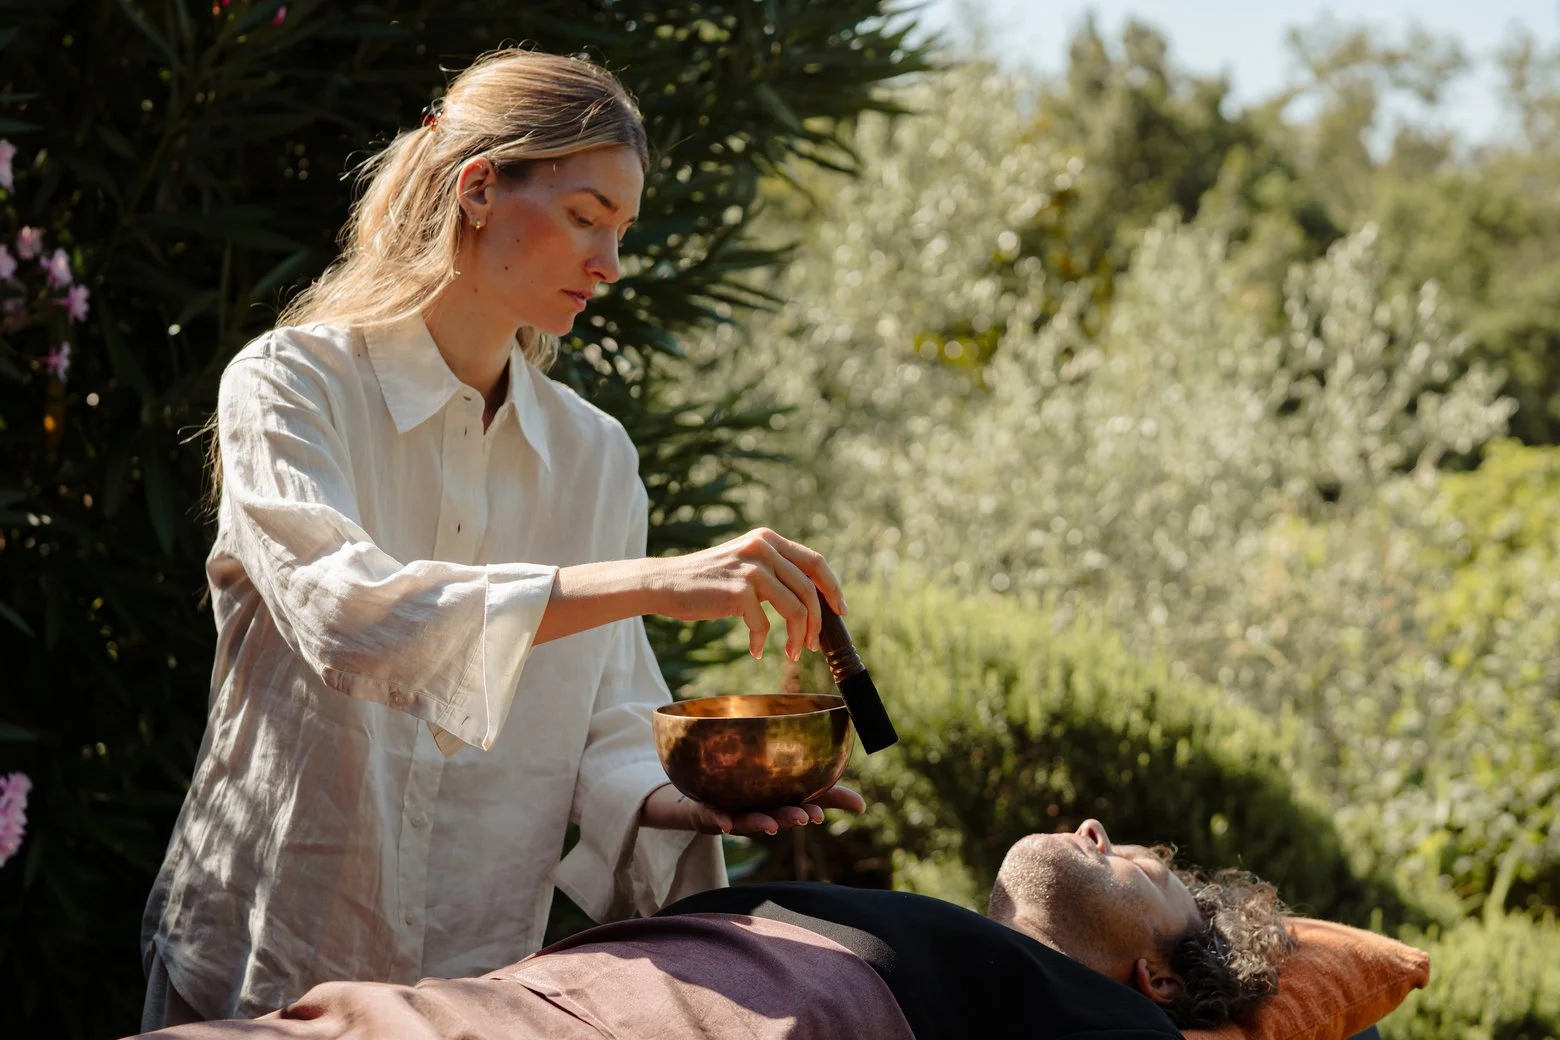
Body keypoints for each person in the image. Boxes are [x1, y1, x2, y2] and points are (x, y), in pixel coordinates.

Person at [139, 47, 865, 1031]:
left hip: (476, 989)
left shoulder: (596, 457)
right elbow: (347, 615)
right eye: (586, 217)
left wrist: (687, 795)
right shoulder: (287, 385)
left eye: (622, 230)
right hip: (268, 956)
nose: (610, 264)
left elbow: (609, 715)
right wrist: (656, 580)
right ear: (480, 188)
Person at [127, 819, 1297, 1040]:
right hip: (546, 986)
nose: (1098, 827)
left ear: (1155, 973)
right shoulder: (945, 933)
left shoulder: (1106, 1023)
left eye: (1152, 868)